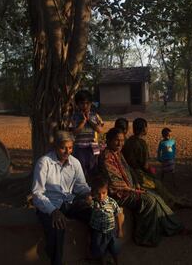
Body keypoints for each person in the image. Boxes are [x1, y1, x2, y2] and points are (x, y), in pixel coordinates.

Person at [98, 128, 189, 247]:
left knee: (156, 196)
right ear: (109, 140)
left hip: (130, 189)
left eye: (122, 140)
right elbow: (115, 183)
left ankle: (174, 227)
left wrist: (136, 184)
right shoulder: (106, 157)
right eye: (116, 140)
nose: (120, 143)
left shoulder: (118, 153)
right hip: (120, 194)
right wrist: (135, 190)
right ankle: (143, 237)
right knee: (149, 200)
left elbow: (129, 171)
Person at [32, 131, 92, 265]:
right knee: (58, 227)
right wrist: (53, 211)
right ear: (55, 146)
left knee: (95, 214)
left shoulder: (75, 163)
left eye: (70, 148)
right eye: (63, 148)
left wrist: (89, 194)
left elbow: (80, 186)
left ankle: (96, 252)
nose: (67, 151)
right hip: (49, 205)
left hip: (68, 202)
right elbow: (37, 194)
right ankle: (56, 261)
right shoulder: (44, 163)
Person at [122, 118, 192, 208]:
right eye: (146, 127)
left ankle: (173, 199)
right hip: (137, 174)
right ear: (144, 129)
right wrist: (151, 172)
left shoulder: (129, 141)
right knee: (157, 184)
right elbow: (144, 165)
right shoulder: (141, 143)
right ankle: (172, 202)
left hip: (129, 171)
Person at [89, 177, 124, 265]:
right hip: (98, 232)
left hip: (111, 231)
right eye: (98, 194)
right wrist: (89, 198)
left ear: (107, 191)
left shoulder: (112, 202)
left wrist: (120, 229)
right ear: (93, 193)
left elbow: (119, 214)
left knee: (115, 249)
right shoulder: (94, 203)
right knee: (100, 250)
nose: (101, 196)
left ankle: (116, 262)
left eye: (104, 193)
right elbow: (88, 203)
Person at [71, 89, 104, 178]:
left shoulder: (95, 116)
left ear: (90, 103)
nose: (85, 106)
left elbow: (100, 130)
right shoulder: (74, 116)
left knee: (94, 167)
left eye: (87, 103)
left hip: (94, 145)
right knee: (81, 168)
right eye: (82, 103)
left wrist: (89, 120)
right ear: (77, 104)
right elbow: (74, 132)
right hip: (79, 146)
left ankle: (93, 186)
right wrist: (83, 122)